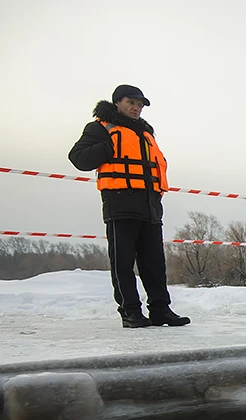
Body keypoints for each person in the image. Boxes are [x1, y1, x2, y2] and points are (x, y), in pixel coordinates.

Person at [68, 84, 190, 328]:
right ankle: (130, 312)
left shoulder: (146, 134)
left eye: (140, 105)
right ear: (117, 103)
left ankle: (160, 310)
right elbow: (78, 158)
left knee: (155, 263)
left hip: (150, 207)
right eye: (131, 103)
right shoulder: (101, 128)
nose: (136, 108)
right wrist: (109, 146)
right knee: (123, 263)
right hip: (120, 205)